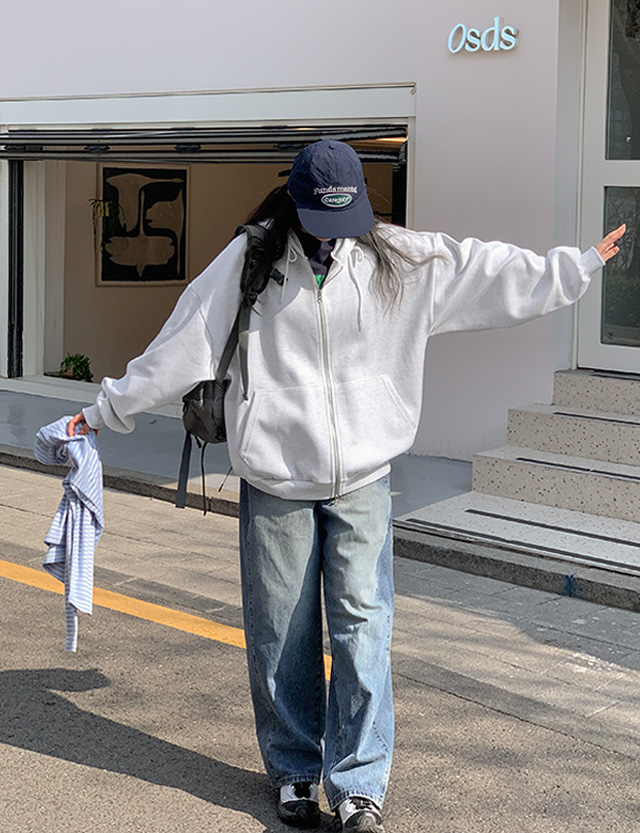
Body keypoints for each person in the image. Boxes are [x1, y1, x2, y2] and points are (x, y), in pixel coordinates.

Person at [68, 140, 624, 833]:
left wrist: (575, 267)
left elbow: (486, 269)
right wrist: (102, 412)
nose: (335, 237)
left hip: (364, 477)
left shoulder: (398, 258)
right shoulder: (250, 260)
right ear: (295, 203)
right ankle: (295, 770)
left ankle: (359, 782)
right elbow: (182, 345)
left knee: (364, 627)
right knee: (282, 632)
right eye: (322, 222)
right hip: (277, 477)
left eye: (346, 220)